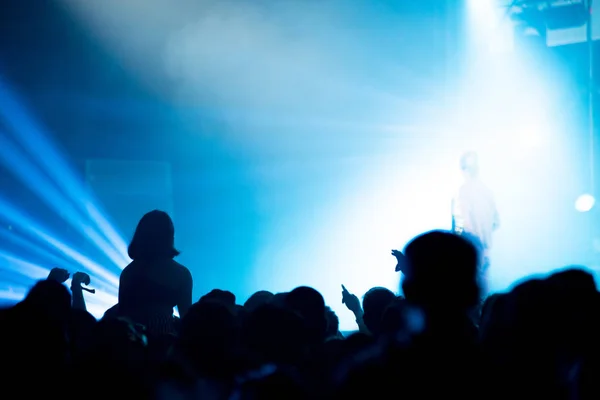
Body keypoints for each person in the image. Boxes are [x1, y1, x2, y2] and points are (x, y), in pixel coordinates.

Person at [117, 210, 193, 336]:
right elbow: (188, 320)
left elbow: (121, 317)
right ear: (169, 237)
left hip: (131, 345)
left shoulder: (129, 272)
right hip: (165, 345)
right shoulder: (181, 273)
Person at [451, 152, 499, 288]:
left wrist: (462, 237)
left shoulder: (464, 191)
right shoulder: (487, 191)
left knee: (469, 283)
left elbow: (462, 221)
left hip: (470, 246)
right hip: (484, 247)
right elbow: (496, 222)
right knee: (482, 282)